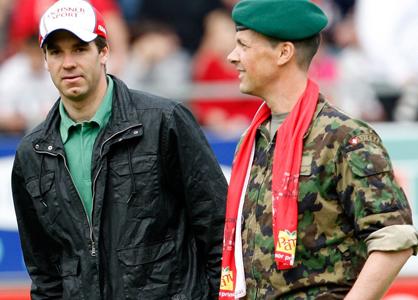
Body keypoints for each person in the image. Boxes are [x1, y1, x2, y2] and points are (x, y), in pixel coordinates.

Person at [11, 0, 226, 299]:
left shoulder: (165, 121)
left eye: (79, 48)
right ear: (45, 59)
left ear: (104, 52)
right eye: (56, 51)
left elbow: (219, 229)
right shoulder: (31, 153)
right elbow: (45, 272)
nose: (68, 62)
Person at [218, 0, 418, 299]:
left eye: (243, 45)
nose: (233, 57)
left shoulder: (345, 137)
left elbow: (394, 238)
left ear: (284, 53)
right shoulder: (253, 140)